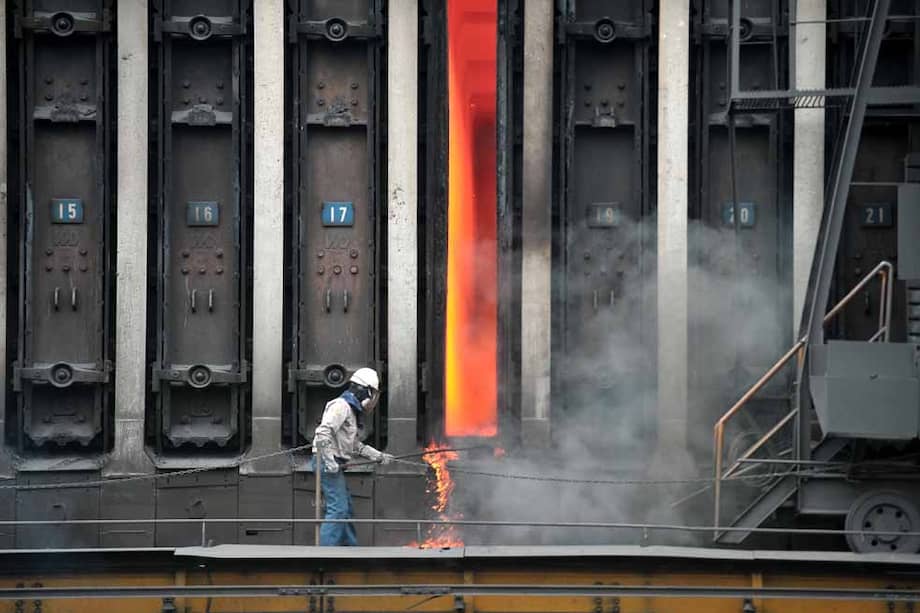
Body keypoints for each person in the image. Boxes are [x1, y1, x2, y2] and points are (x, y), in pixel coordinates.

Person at [312, 367, 394, 546]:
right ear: (363, 389)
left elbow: (354, 444)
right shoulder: (340, 406)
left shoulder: (349, 409)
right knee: (338, 509)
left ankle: (350, 549)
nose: (372, 398)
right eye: (372, 393)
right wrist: (329, 461)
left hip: (333, 461)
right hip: (326, 461)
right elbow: (322, 433)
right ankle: (324, 555)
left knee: (346, 508)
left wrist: (377, 455)